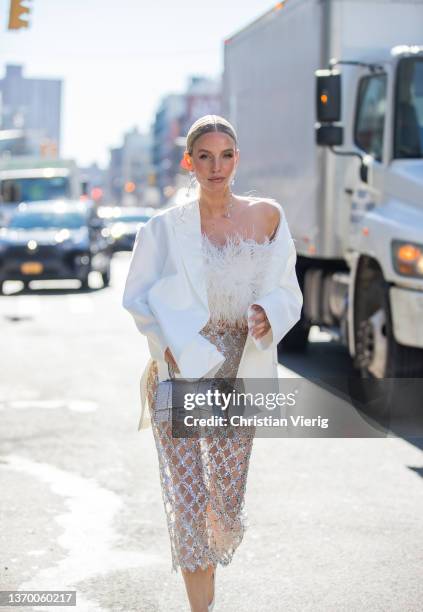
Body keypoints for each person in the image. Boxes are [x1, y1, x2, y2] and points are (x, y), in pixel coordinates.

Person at [122, 114, 303, 612]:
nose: (216, 166)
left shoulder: (267, 217)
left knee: (222, 503)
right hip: (180, 374)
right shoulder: (162, 229)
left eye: (225, 155)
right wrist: (164, 348)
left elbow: (287, 287)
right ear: (189, 162)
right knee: (190, 500)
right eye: (204, 156)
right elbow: (136, 298)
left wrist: (269, 312)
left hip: (238, 375)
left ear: (237, 159)